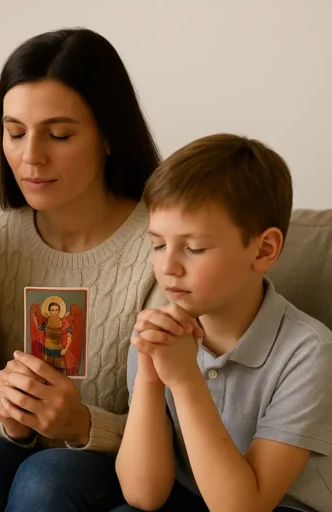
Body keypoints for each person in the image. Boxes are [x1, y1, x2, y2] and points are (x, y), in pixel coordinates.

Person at [0, 28, 167, 511]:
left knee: (47, 476)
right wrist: (9, 420)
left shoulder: (162, 248)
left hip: (113, 469)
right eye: (14, 132)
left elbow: (180, 431)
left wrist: (81, 424)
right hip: (8, 457)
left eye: (59, 135)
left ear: (109, 137)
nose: (29, 156)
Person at [115, 134, 332, 512]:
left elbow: (242, 508)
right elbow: (142, 494)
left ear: (264, 249)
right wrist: (151, 375)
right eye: (158, 244)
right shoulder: (159, 334)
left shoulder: (310, 353)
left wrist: (184, 380)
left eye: (194, 248)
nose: (167, 267)